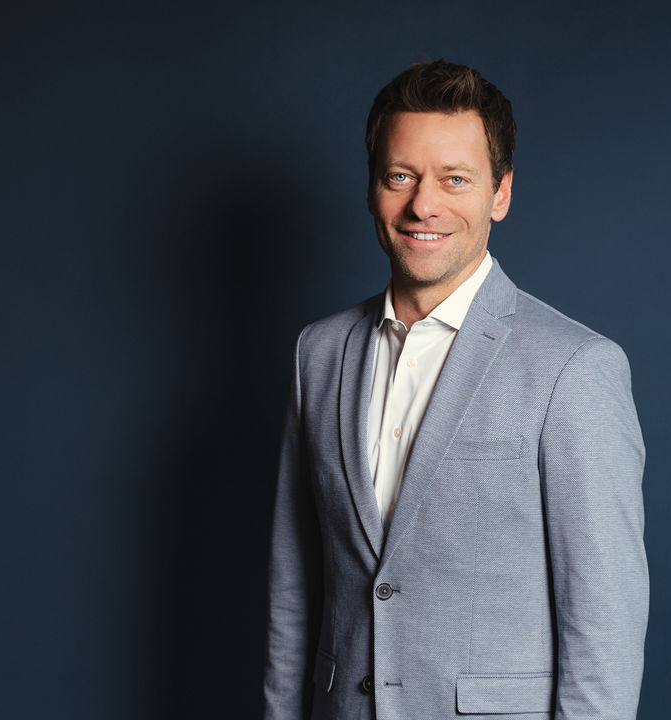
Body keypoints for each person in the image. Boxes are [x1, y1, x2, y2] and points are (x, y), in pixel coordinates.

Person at [264, 60, 648, 720]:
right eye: (401, 176)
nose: (424, 205)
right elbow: (293, 589)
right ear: (372, 189)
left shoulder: (575, 367)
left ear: (500, 193)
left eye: (455, 179)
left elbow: (604, 624)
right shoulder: (317, 354)